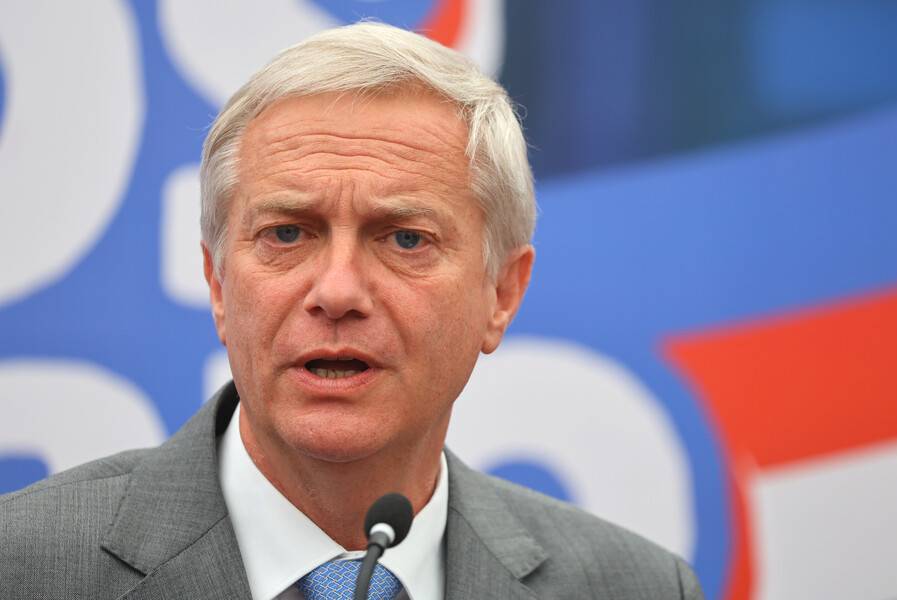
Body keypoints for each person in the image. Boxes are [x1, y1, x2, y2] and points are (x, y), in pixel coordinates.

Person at [0, 22, 704, 600]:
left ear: (501, 295)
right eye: (287, 233)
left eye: (405, 239)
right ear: (217, 283)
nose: (337, 292)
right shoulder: (22, 568)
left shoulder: (635, 588)